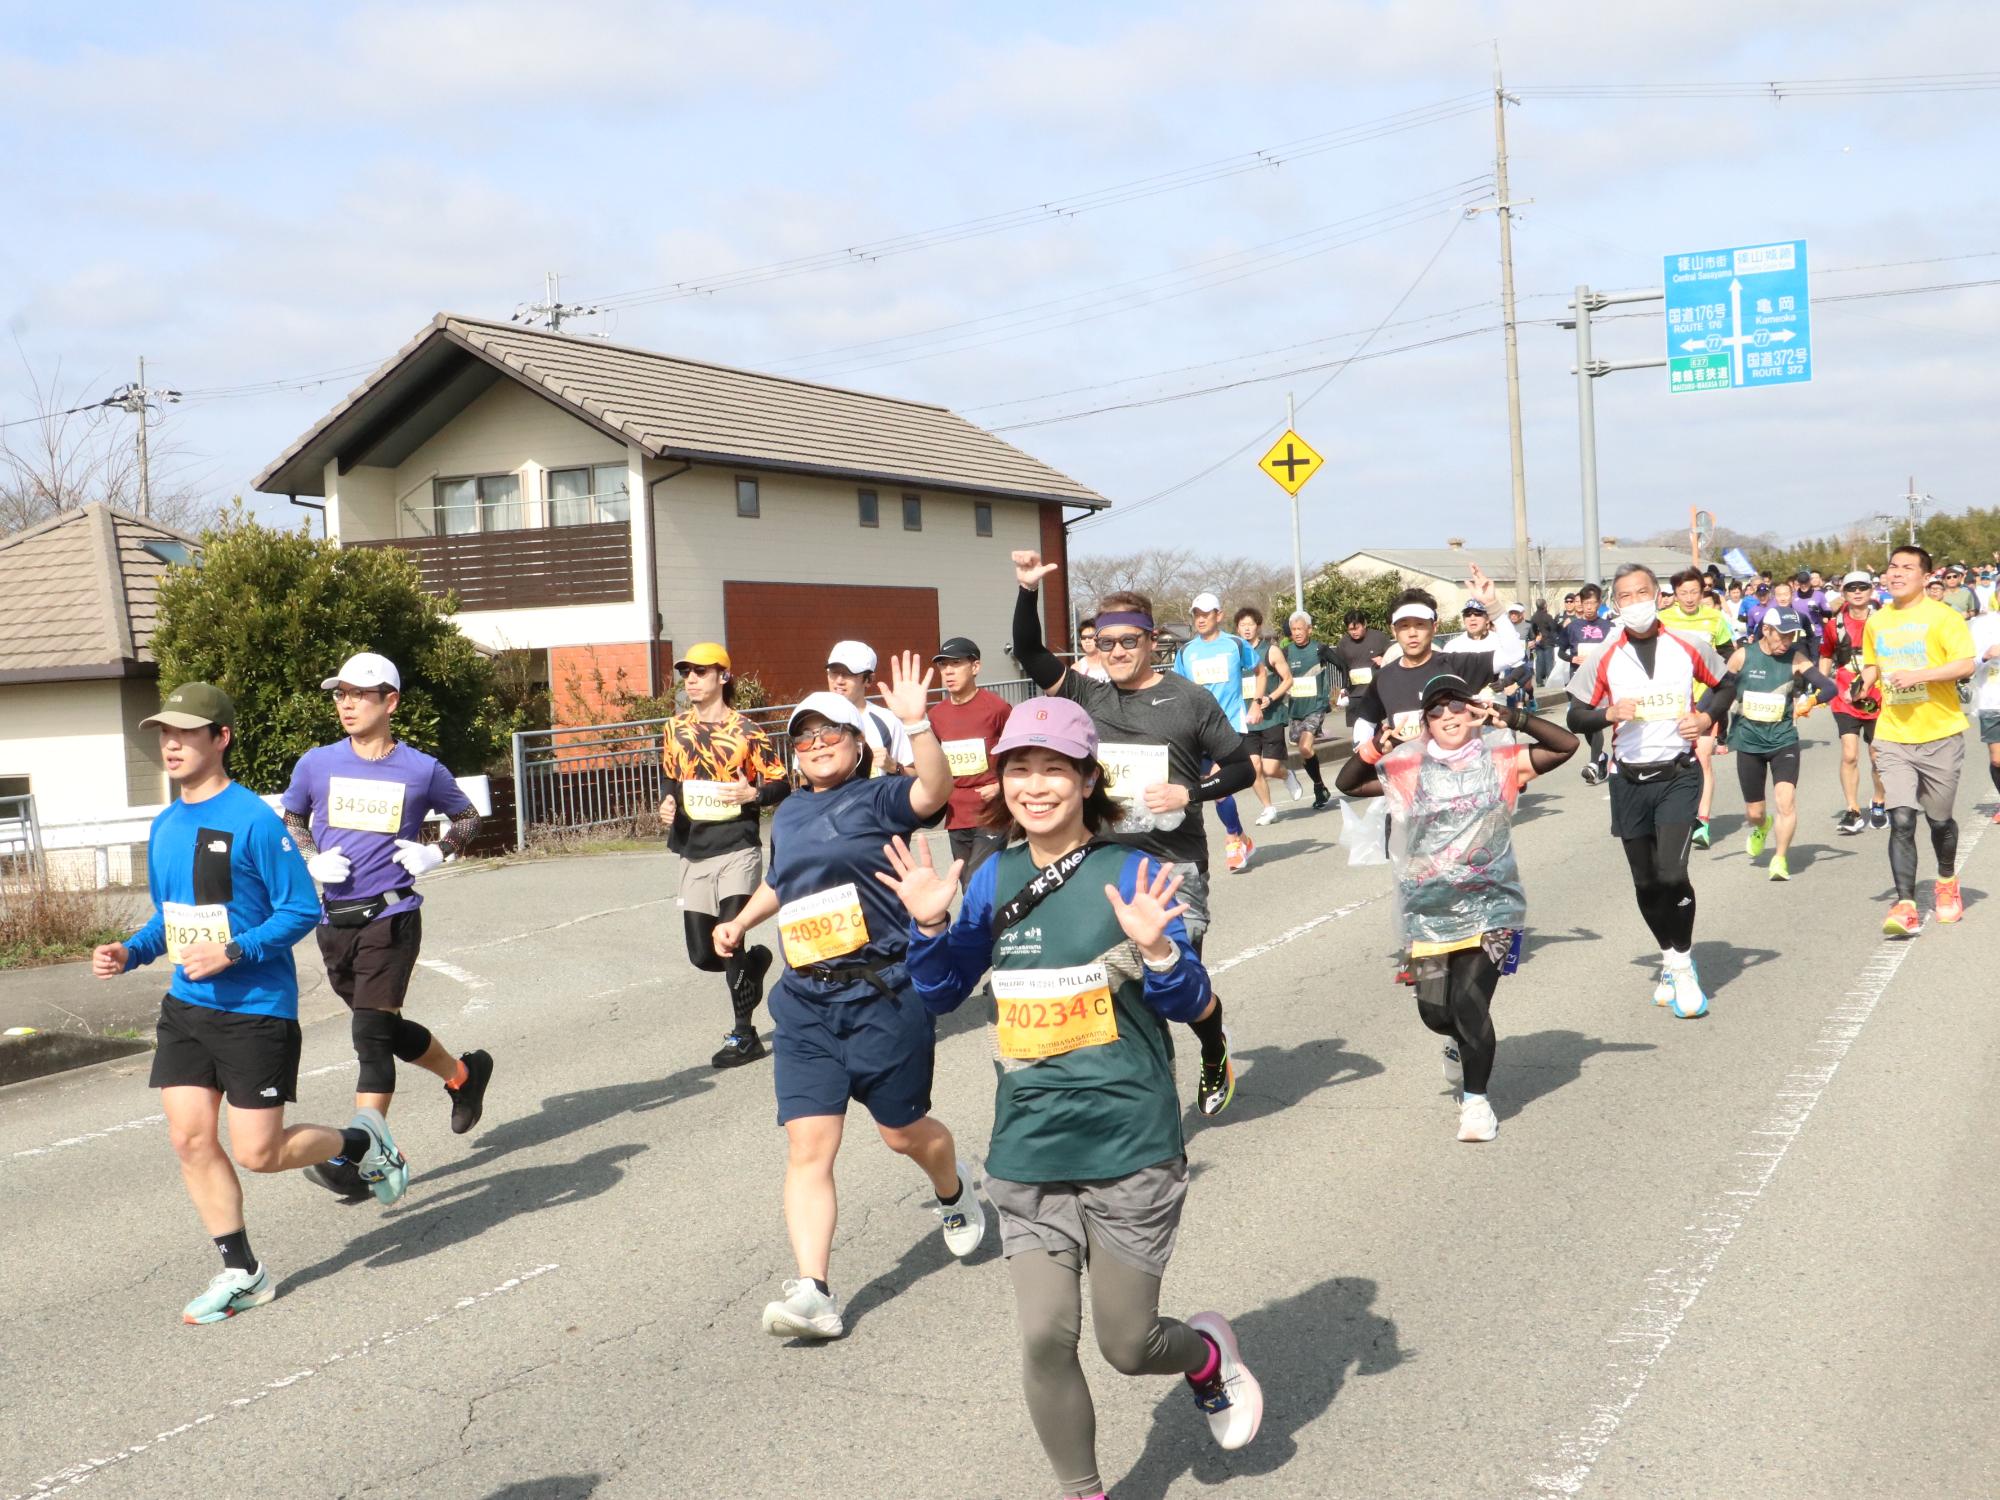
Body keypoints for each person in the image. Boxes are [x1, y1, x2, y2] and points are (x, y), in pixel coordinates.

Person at [893, 697, 1262, 1497]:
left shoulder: (1131, 870)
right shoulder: (993, 875)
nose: (1033, 786)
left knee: (1129, 1346)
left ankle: (1204, 1356)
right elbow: (944, 989)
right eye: (1018, 769)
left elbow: (1190, 999)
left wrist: (1161, 948)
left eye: (1052, 769)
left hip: (1128, 1139)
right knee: (1043, 1338)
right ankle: (1084, 1491)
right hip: (1028, 1144)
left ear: (1087, 778)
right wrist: (930, 930)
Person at [93, 681, 407, 1325]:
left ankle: (360, 1145)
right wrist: (130, 951)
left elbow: (300, 908)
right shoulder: (165, 824)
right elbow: (171, 919)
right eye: (165, 733)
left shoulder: (254, 821)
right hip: (187, 1007)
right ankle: (243, 1272)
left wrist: (233, 952)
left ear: (221, 738)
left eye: (186, 732)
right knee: (188, 1138)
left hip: (255, 1009)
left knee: (259, 1154)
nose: (172, 744)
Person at [713, 656, 983, 1340]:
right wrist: (743, 920)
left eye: (831, 733)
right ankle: (814, 1292)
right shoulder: (794, 812)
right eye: (802, 739)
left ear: (861, 743)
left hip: (884, 994)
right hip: (805, 1001)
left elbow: (933, 789)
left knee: (902, 1135)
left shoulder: (880, 798)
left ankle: (953, 1190)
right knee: (808, 1147)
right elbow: (783, 881)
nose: (816, 746)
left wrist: (919, 724)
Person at [1010, 551, 1252, 1119]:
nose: (1115, 652)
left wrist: (1188, 794)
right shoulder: (1090, 695)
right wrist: (1026, 591)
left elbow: (1240, 767)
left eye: (1128, 641)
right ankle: (1150, 1117)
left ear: (1151, 643)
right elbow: (1029, 651)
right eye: (1104, 641)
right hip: (1106, 863)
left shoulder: (1190, 700)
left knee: (1175, 987)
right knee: (1127, 996)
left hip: (1174, 866)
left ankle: (1213, 1042)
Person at [280, 653, 491, 1197]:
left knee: (369, 1038)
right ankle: (463, 1076)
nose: (346, 703)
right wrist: (308, 858)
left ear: (390, 701)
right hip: (334, 922)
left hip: (392, 916)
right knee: (386, 1031)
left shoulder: (421, 769)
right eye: (339, 693)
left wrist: (436, 853)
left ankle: (362, 1156)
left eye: (359, 693)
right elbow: (294, 818)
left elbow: (468, 816)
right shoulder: (316, 763)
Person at [1337, 675, 1577, 1141]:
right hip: (1428, 912)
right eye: (1437, 711)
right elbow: (1349, 784)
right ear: (1426, 722)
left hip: (1493, 907)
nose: (1448, 717)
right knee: (1435, 1014)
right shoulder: (1408, 766)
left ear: (1473, 712)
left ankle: (1476, 1104)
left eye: (1457, 708)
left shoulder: (1501, 759)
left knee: (1469, 1004)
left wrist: (1511, 716)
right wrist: (1379, 743)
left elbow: (1565, 746)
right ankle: (1456, 1044)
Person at [1567, 563, 1739, 1018]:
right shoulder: (1605, 655)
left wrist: (1705, 718)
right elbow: (1574, 715)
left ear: (1657, 596)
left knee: (1671, 873)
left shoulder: (1688, 645)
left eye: (1643, 592)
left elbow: (1725, 683)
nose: (1636, 601)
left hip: (1678, 774)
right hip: (1628, 780)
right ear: (1615, 604)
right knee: (1645, 882)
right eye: (1626, 595)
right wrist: (1607, 715)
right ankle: (1668, 957)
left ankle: (1683, 965)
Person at [654, 643, 791, 1069]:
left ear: (723, 677)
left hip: (737, 845)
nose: (690, 679)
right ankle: (754, 965)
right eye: (686, 673)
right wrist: (667, 804)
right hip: (693, 849)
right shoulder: (674, 728)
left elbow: (781, 782)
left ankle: (745, 1034)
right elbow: (671, 779)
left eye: (700, 671)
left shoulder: (748, 732)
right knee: (702, 954)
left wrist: (755, 792)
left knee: (728, 940)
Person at [1857, 544, 1978, 936]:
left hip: (1940, 734)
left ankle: (1945, 882)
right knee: (1902, 819)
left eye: (1907, 568)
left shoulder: (1943, 617)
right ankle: (1905, 904)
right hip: (1893, 734)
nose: (1896, 573)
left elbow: (1965, 664)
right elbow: (1873, 663)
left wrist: (1920, 675)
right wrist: (1863, 685)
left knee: (1939, 820)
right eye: (1893, 567)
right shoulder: (1877, 620)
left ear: (1925, 577)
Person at [1719, 608, 1840, 880]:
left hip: (1783, 740)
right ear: (1766, 630)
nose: (1786, 642)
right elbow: (1721, 695)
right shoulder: (1742, 656)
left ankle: (1779, 858)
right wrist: (1711, 727)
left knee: (1786, 801)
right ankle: (1762, 827)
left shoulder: (1796, 659)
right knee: (1755, 812)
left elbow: (1830, 688)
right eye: (1782, 635)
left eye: (1791, 635)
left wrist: (1811, 701)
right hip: (1749, 742)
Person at [1174, 592, 1264, 871]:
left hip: (1231, 726)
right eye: (1196, 614)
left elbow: (1260, 672)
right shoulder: (1186, 651)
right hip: (1199, 729)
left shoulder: (1235, 645)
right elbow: (1179, 688)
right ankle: (1242, 837)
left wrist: (1257, 703)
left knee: (1219, 783)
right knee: (1216, 789)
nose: (1200, 619)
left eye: (1206, 613)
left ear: (1219, 615)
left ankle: (1232, 840)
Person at [1351, 587, 1497, 750]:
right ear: (1394, 630)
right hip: (1407, 771)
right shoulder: (1384, 677)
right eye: (1404, 626)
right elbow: (1365, 719)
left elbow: (1514, 655)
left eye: (1420, 624)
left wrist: (1493, 605)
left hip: (1458, 769)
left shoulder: (1455, 664)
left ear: (1434, 627)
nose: (1412, 633)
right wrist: (1363, 751)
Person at [1663, 569, 1739, 851]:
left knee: (1703, 757)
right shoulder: (1663, 620)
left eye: (1694, 592)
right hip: (1672, 700)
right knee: (1675, 760)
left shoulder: (1715, 618)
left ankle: (1702, 822)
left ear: (1702, 591)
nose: (1690, 598)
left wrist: (1724, 680)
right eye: (1683, 593)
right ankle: (1677, 814)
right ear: (1675, 594)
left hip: (1706, 697)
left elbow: (1728, 653)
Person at [928, 635, 1012, 885]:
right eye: (943, 666)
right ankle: (986, 924)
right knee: (966, 882)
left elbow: (1019, 753)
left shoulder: (997, 708)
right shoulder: (936, 715)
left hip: (991, 811)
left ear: (975, 667)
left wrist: (1001, 786)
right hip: (956, 813)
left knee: (979, 878)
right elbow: (933, 763)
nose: (948, 672)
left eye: (955, 664)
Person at [1821, 571, 1888, 834]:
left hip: (1878, 694)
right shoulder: (1834, 625)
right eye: (1851, 588)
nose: (1857, 592)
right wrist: (1821, 686)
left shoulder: (1883, 621)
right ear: (1843, 593)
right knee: (1849, 754)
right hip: (1845, 696)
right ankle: (1853, 810)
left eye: (1862, 587)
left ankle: (1879, 802)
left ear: (1871, 591)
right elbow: (1826, 655)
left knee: (1877, 756)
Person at [1231, 607, 1295, 820]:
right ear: (1237, 628)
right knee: (1254, 767)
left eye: (1250, 625)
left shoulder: (1271, 651)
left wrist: (1270, 698)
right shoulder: (1233, 654)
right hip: (1246, 720)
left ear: (1258, 626)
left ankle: (1286, 774)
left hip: (1271, 718)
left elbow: (1288, 679)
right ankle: (1268, 808)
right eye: (1242, 625)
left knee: (1269, 769)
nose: (1246, 629)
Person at [1276, 610, 1343, 810]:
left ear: (1309, 629)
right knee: (1304, 751)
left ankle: (1317, 787)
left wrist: (1346, 687)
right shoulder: (1286, 652)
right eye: (1294, 629)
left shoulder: (1319, 649)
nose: (1296, 633)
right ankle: (1320, 785)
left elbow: (1341, 665)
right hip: (1296, 708)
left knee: (1305, 747)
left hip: (1316, 705)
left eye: (1300, 629)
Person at [826, 641, 915, 775]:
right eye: (834, 672)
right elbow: (803, 776)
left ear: (869, 680)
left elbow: (915, 773)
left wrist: (893, 767)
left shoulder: (888, 720)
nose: (839, 680)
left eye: (848, 673)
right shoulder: (813, 718)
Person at [1558, 584, 1613, 782]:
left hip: (1601, 681)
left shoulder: (1609, 627)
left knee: (1594, 721)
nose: (1589, 607)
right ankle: (1600, 757)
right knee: (1584, 723)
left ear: (1599, 603)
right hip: (1577, 679)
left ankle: (1593, 762)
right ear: (1580, 604)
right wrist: (1572, 659)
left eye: (1593, 603)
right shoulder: (1572, 628)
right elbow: (1561, 651)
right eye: (1586, 603)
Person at [1331, 609, 1392, 733]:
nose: (1354, 632)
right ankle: (1360, 750)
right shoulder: (1343, 643)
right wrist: (1343, 688)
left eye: (1357, 628)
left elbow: (1394, 657)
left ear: (1364, 624)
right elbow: (1341, 666)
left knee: (1375, 726)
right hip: (1354, 693)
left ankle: (1378, 748)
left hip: (1374, 691)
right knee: (1358, 729)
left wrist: (1384, 659)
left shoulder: (1379, 638)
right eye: (1350, 630)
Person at [1973, 604, 2000, 819]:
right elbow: (1968, 665)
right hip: (1991, 702)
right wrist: (1986, 655)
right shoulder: (1983, 625)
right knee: (1997, 760)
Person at [1529, 599, 1559, 686]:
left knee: (1539, 661)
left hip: (1538, 641)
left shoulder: (1534, 617)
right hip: (1548, 641)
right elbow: (1553, 628)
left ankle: (1539, 681)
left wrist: (1536, 636)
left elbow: (1533, 629)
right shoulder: (1548, 616)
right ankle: (1549, 680)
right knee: (1549, 662)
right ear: (1545, 605)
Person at [1075, 618, 1113, 683]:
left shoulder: (1113, 662)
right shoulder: (1077, 669)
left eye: (1090, 637)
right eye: (1083, 638)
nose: (1087, 641)